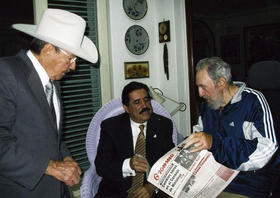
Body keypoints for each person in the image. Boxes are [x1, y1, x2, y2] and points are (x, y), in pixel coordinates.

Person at [0, 8, 98, 198]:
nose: (73, 66)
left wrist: (66, 157)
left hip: (56, 189)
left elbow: (52, 136)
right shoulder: (6, 73)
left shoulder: (52, 82)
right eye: (70, 58)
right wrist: (52, 167)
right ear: (48, 49)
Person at [184, 57, 278, 198]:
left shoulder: (253, 101)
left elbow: (267, 149)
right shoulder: (209, 106)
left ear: (221, 82)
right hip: (211, 180)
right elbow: (200, 136)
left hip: (245, 185)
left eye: (203, 87)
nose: (200, 94)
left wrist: (215, 143)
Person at [95, 81, 175, 198]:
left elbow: (170, 163)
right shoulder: (111, 127)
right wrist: (128, 165)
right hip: (116, 191)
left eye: (146, 100)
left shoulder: (163, 124)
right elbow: (101, 166)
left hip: (150, 191)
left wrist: (152, 187)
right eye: (137, 102)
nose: (145, 106)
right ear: (126, 108)